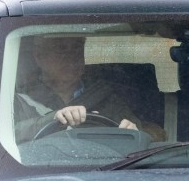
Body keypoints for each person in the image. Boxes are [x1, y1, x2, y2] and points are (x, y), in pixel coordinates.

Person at [14, 35, 142, 141]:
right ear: (39, 56)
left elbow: (148, 135)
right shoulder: (18, 98)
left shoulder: (105, 96)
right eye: (61, 48)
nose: (71, 56)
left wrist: (134, 133)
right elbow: (8, 136)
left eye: (77, 47)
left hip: (105, 168)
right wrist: (52, 120)